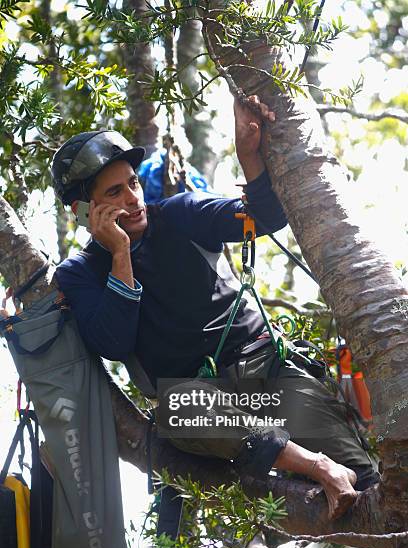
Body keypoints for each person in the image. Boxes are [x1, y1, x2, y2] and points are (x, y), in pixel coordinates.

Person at [53, 95, 377, 520]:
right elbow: (113, 342)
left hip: (272, 375)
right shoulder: (79, 273)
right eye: (115, 192)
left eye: (133, 183)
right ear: (82, 211)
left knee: (371, 489)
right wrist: (120, 254)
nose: (133, 198)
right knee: (176, 407)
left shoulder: (181, 213)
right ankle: (314, 465)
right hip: (204, 404)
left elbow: (265, 217)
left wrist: (248, 156)